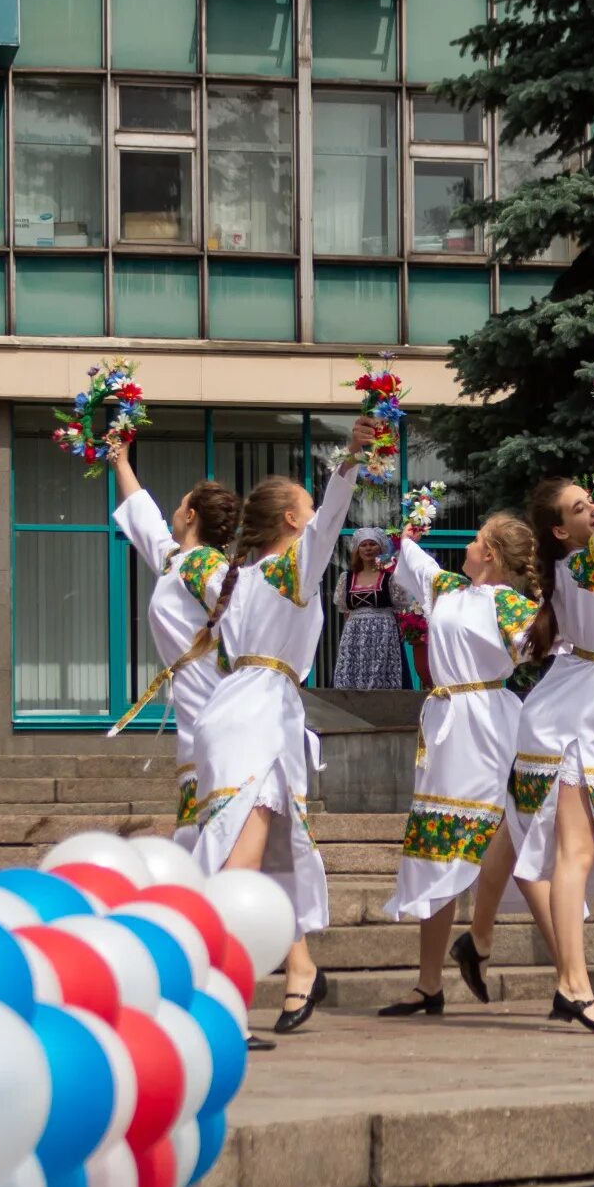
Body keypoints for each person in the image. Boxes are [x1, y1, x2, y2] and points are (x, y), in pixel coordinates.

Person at [184, 416, 386, 1033]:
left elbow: (179, 553)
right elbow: (331, 519)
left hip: (232, 710)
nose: (318, 522)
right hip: (260, 717)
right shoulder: (289, 570)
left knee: (261, 853)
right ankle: (217, 997)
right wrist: (350, 457)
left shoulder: (233, 577)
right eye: (307, 509)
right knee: (237, 866)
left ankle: (299, 972)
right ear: (294, 523)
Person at [485, 384, 594, 1035]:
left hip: (566, 709)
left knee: (567, 853)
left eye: (592, 503)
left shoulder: (574, 568)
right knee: (573, 855)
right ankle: (575, 987)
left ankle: (569, 984)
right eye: (582, 507)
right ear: (562, 529)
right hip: (572, 718)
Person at [375, 512, 544, 1016]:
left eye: (474, 540)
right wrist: (406, 536)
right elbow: (418, 563)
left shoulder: (511, 604)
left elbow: (542, 641)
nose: (466, 546)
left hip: (489, 721)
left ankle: (565, 977)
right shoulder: (448, 590)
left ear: (489, 554)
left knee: (509, 830)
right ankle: (430, 982)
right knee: (436, 844)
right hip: (447, 723)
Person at [103, 436, 239, 846]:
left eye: (180, 506)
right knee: (199, 818)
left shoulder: (204, 565)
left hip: (216, 700)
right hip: (195, 703)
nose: (173, 512)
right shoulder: (178, 562)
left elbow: (247, 610)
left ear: (192, 514)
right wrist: (120, 462)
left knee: (216, 821)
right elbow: (146, 522)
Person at [331, 533, 408, 690]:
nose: (368, 548)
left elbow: (400, 604)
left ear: (381, 548)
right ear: (357, 549)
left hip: (383, 632)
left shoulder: (390, 577)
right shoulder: (347, 577)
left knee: (381, 672)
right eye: (363, 545)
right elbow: (346, 610)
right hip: (355, 633)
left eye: (372, 544)